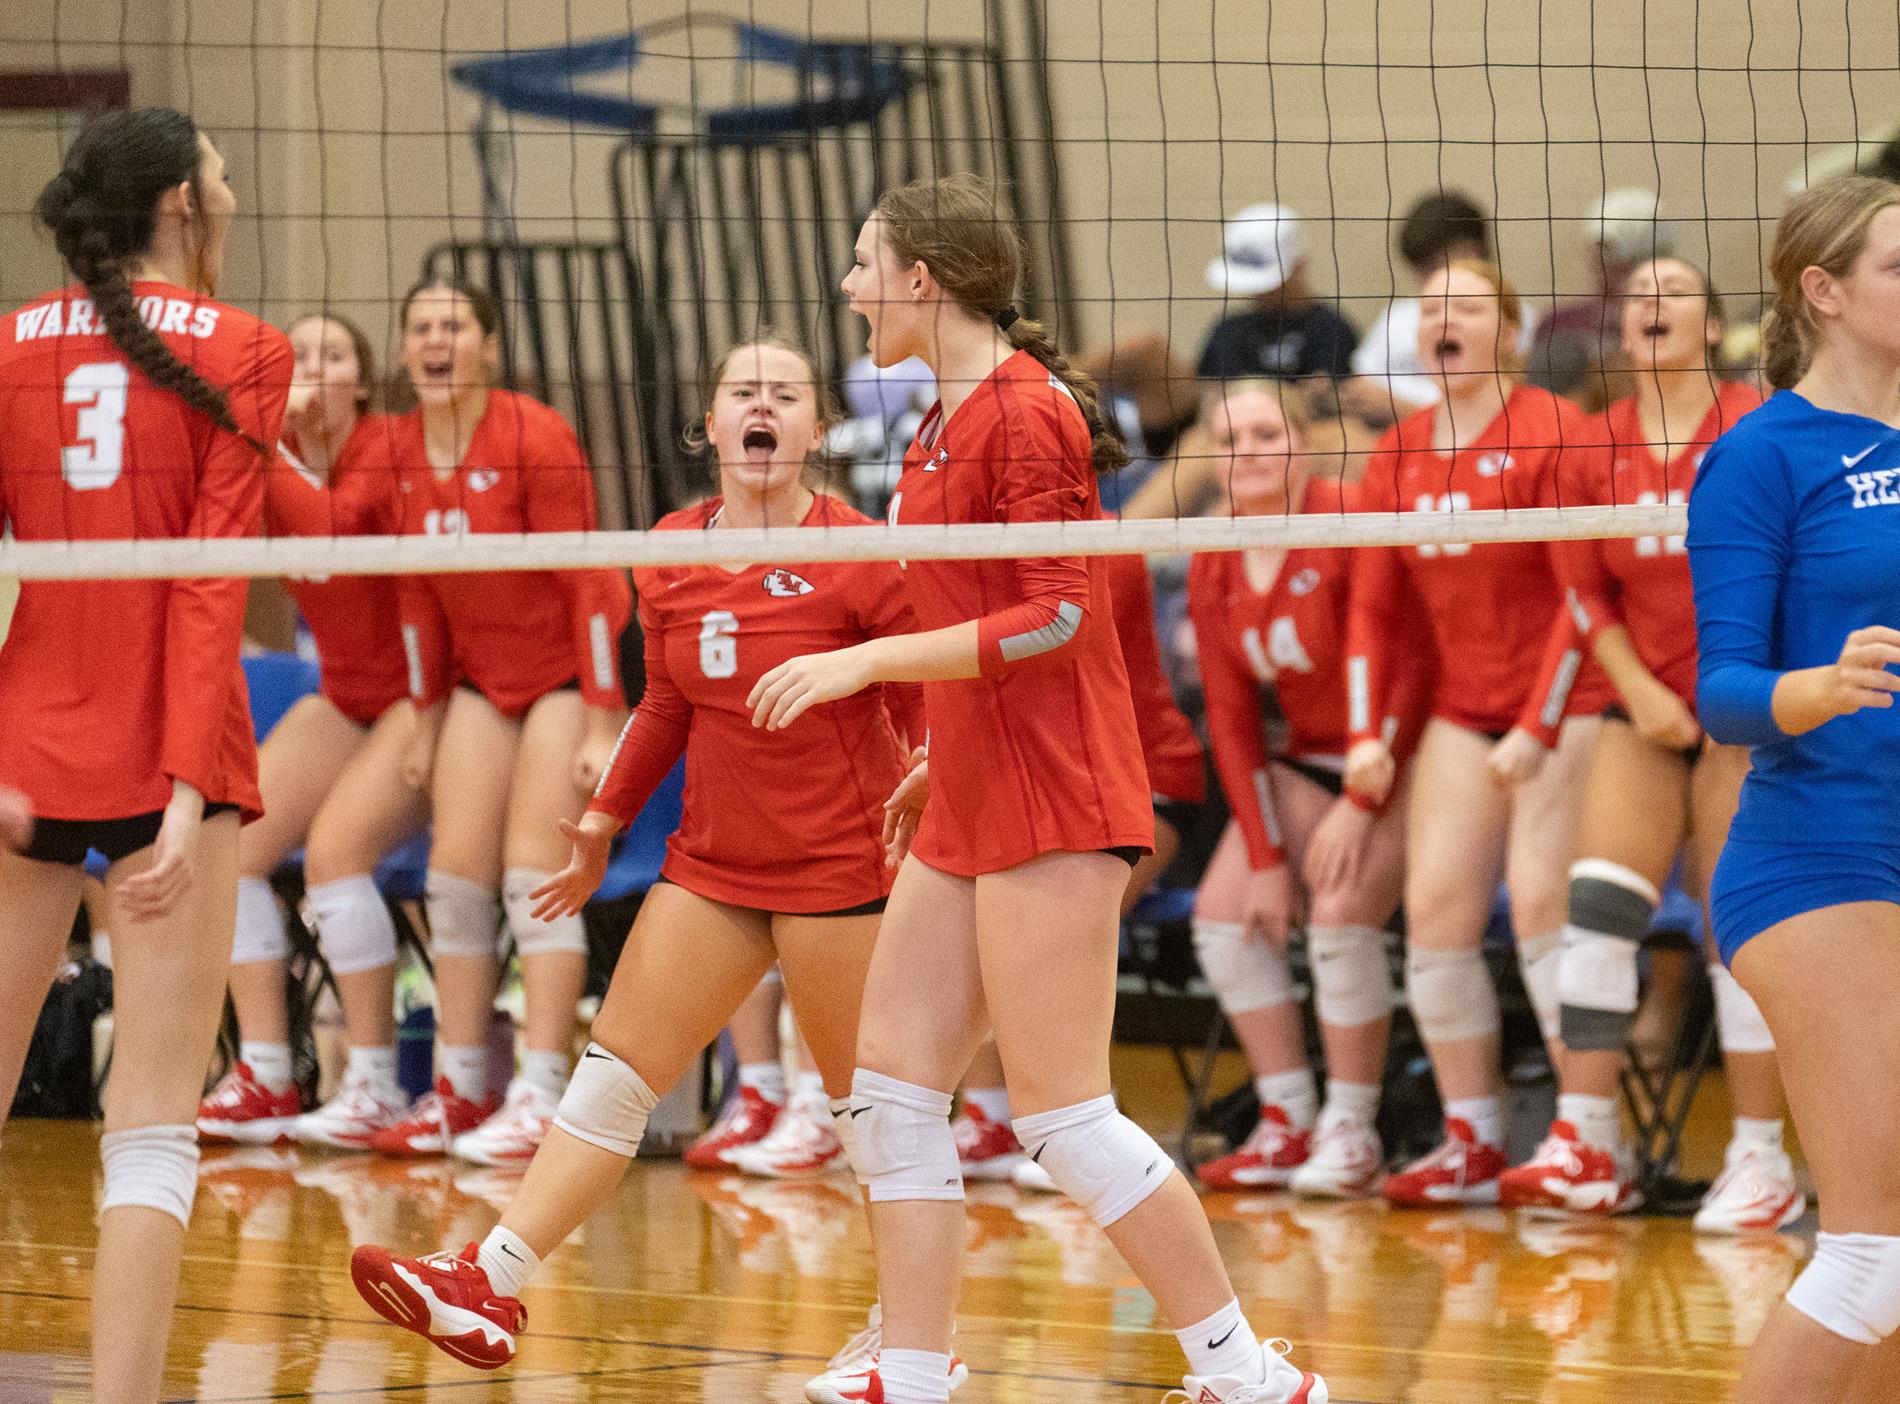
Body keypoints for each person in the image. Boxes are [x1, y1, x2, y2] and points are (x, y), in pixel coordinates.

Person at [746, 173, 1327, 1404]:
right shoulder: (936, 425)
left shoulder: (1027, 412)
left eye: (865, 264)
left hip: (1057, 793)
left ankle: (1247, 1376)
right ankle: (909, 1368)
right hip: (971, 791)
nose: (849, 289)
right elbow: (977, 618)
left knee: (1064, 1118)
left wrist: (865, 662)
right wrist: (930, 753)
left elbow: (1057, 615)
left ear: (923, 279)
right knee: (891, 1093)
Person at [346, 336, 941, 1386]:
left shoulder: (861, 549)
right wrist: (600, 823)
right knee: (610, 1084)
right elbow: (665, 702)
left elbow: (917, 697)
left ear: (814, 430)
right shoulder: (670, 546)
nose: (762, 408)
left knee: (873, 1124)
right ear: (710, 425)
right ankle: (489, 1278)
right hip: (712, 865)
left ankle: (909, 1342)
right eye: (741, 392)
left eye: (785, 394)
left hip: (840, 873)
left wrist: (930, 778)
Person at [0, 107, 292, 1404]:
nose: (233, 191)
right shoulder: (245, 349)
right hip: (178, 759)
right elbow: (206, 586)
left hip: (24, 764)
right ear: (182, 201)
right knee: (154, 1130)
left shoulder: (5, 349)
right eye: (223, 173)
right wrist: (180, 800)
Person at [1498, 257, 1802, 1230]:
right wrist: (1633, 687)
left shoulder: (1759, 426)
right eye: (1636, 299)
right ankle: (1585, 1139)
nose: (1654, 307)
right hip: (1642, 704)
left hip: (1743, 704)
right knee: (1595, 912)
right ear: (1619, 333)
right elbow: (1579, 585)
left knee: (1735, 930)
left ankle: (1760, 1161)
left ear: (1713, 327)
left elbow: (1794, 572)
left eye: (1676, 292)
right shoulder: (1592, 443)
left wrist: (1730, 697)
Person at [1687, 173, 1900, 1404]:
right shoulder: (1759, 457)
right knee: (1871, 1250)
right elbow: (1719, 690)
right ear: (1821, 292)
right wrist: (1815, 686)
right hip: (1815, 855)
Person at [1345, 259, 1615, 1210]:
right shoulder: (1399, 450)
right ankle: (1474, 1135)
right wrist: (1366, 734)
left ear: (1510, 328)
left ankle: (1591, 1138)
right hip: (1464, 707)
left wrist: (1540, 724)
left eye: (1464, 308)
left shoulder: (1558, 431)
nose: (1441, 323)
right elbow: (1374, 610)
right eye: (1428, 310)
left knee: (1545, 902)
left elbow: (1589, 595)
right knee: (1438, 915)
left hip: (1568, 693)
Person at [367, 278, 632, 1165]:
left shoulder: (535, 433)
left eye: (454, 326)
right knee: (453, 877)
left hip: (567, 675)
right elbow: (416, 599)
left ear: (488, 345)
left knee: (532, 872)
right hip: (482, 683)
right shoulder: (397, 449)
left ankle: (543, 1090)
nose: (436, 341)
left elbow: (593, 585)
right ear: (404, 351)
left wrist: (602, 721)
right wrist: (422, 720)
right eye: (421, 327)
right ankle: (457, 1085)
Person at [1185, 380, 1424, 1199]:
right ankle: (1286, 1117)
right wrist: (1263, 854)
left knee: (1335, 918)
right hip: (1308, 760)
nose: (1246, 453)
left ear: (1306, 441)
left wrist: (1362, 805)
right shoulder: (1213, 554)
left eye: (1264, 434)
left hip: (1402, 752)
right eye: (1229, 439)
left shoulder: (1348, 517)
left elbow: (1412, 663)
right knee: (1222, 920)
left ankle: (1351, 1128)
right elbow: (1231, 716)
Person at [194, 313, 428, 1149]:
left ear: (361, 382)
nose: (311, 372)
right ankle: (264, 1069)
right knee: (228, 848)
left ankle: (372, 1084)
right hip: (345, 694)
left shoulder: (389, 448)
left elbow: (330, 525)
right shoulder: (275, 467)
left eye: (332, 355)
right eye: (299, 358)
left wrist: (257, 434)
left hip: (424, 694)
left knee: (335, 853)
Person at [959, 545, 1210, 1187]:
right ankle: (990, 1119)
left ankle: (1087, 1123)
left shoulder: (1100, 552)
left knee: (1031, 939)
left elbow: (1034, 665)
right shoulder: (962, 538)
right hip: (1033, 773)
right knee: (965, 925)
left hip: (1134, 776)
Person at [1526, 187, 1678, 407]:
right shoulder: (1561, 325)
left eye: (1612, 251)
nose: (1600, 262)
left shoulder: (1673, 324)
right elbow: (1539, 405)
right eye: (1597, 249)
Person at [1348, 191, 1498, 413]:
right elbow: (1361, 383)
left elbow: (1493, 410)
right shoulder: (1396, 317)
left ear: (1473, 251)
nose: (1426, 279)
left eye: (1434, 265)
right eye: (1418, 269)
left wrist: (1398, 408)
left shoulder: (1506, 317)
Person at [1199, 203, 1359, 384]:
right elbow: (1209, 391)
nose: (1258, 292)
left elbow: (1326, 396)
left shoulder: (1330, 328)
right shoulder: (1229, 329)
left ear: (1299, 266)